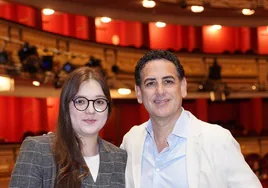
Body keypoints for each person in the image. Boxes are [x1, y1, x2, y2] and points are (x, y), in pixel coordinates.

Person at [120, 50, 262, 188]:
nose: (160, 91)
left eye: (168, 81)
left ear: (183, 87)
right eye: (150, 83)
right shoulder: (131, 141)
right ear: (139, 93)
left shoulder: (218, 140)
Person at [10, 67, 127, 188]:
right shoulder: (38, 150)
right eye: (80, 101)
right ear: (66, 106)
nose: (91, 110)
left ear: (108, 108)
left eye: (99, 102)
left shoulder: (120, 157)